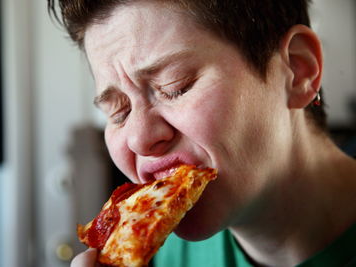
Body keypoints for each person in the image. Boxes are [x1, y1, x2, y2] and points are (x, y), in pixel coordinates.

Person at [47, 0, 356, 266]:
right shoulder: (162, 252)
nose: (139, 138)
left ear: (298, 71)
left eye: (175, 86)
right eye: (119, 111)